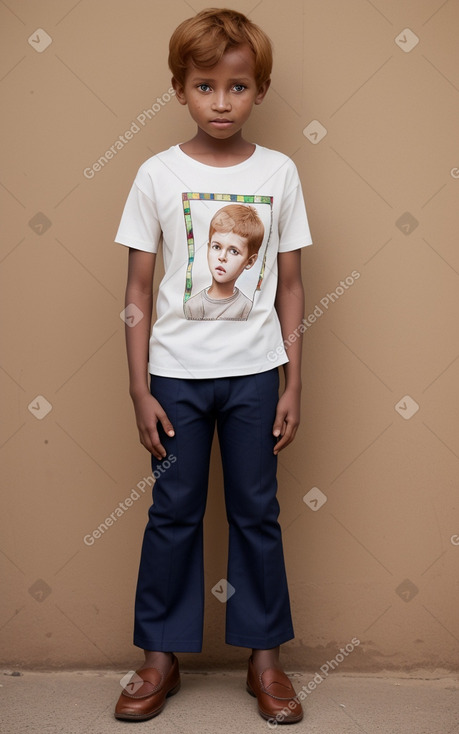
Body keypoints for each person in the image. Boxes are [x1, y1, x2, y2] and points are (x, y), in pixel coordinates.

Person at [113, 7, 312, 724]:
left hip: (256, 376)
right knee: (174, 512)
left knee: (257, 512)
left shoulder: (279, 172)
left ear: (257, 89)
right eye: (204, 86)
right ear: (179, 89)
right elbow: (138, 290)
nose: (220, 102)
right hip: (173, 376)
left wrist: (292, 380)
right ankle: (159, 658)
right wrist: (139, 387)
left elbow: (290, 286)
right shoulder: (156, 174)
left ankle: (265, 661)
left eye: (236, 86)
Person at [184, 203, 264, 320]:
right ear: (208, 248)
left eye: (234, 251)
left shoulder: (247, 308)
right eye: (216, 247)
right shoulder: (192, 306)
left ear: (250, 262)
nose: (222, 257)